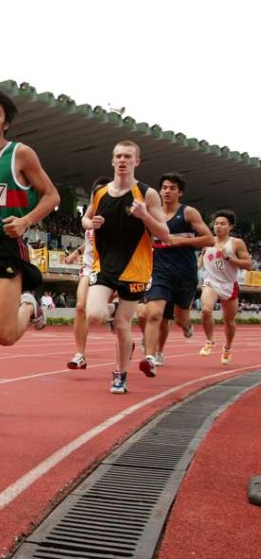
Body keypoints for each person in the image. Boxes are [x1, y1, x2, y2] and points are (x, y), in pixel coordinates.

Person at [0, 88, 59, 415]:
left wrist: (26, 221)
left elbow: (52, 195)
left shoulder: (20, 154)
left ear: (5, 123)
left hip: (7, 246)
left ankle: (29, 306)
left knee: (3, 335)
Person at [83, 141, 169, 394]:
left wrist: (145, 216)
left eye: (128, 156)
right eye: (118, 156)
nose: (122, 160)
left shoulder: (148, 194)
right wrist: (91, 223)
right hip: (104, 264)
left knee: (122, 324)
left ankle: (120, 374)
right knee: (94, 316)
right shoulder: (99, 192)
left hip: (135, 269)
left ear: (137, 161)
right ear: (112, 161)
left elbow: (164, 233)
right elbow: (85, 217)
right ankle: (113, 309)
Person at [138, 173, 213, 377]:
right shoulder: (152, 213)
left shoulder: (188, 213)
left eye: (172, 188)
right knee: (153, 314)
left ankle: (186, 325)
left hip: (185, 273)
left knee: (180, 319)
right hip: (159, 271)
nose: (167, 191)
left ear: (180, 192)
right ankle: (151, 358)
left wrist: (179, 241)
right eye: (164, 187)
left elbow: (210, 239)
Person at [65, 176, 111, 370]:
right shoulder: (90, 216)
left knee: (96, 315)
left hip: (109, 268)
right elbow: (89, 238)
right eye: (96, 193)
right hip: (89, 266)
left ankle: (113, 312)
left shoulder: (113, 215)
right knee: (80, 307)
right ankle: (80, 354)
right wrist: (77, 252)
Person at [199, 210, 252, 364]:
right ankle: (209, 341)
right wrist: (201, 256)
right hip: (211, 281)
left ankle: (227, 348)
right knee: (206, 309)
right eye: (216, 224)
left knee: (228, 320)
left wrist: (228, 257)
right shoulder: (208, 241)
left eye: (222, 224)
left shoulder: (236, 243)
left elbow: (248, 265)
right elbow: (199, 265)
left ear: (230, 227)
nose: (218, 227)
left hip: (229, 285)